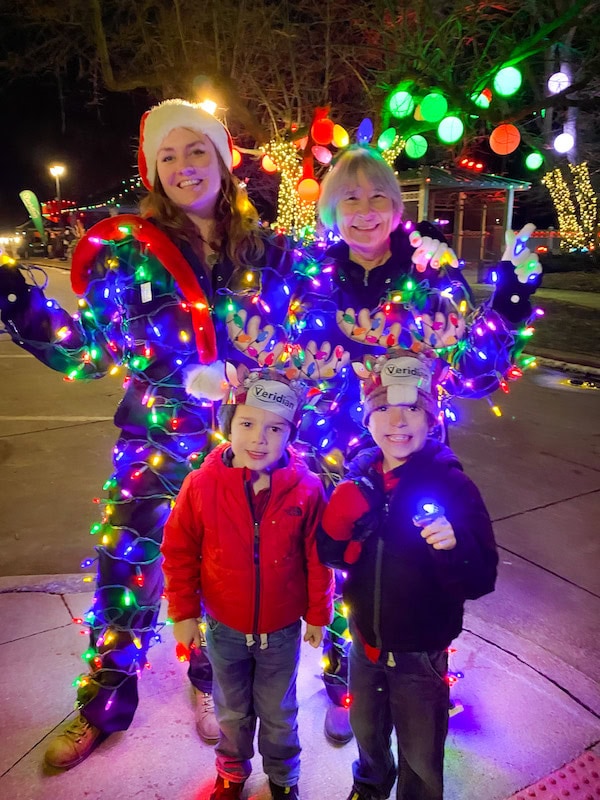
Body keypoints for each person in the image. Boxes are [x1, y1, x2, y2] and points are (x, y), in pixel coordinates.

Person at [0, 99, 296, 768]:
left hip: (244, 451)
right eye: (170, 155)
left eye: (198, 150)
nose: (186, 166)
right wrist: (19, 300)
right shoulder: (130, 254)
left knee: (229, 577)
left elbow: (309, 345)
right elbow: (88, 353)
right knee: (126, 568)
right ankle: (106, 698)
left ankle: (210, 681)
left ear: (222, 159)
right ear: (153, 170)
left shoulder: (272, 252)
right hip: (154, 443)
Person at [278, 144, 539, 743]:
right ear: (329, 211)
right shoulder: (311, 282)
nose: (365, 211)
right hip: (337, 458)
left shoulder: (432, 273)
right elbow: (289, 364)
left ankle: (425, 677)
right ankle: (347, 680)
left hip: (413, 457)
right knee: (347, 565)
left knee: (422, 564)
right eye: (350, 199)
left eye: (378, 197)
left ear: (397, 206)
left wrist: (514, 294)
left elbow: (476, 373)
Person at [317, 347, 498, 800]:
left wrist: (454, 547)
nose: (397, 422)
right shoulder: (359, 476)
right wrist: (337, 528)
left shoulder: (451, 484)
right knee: (367, 729)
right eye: (384, 408)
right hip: (365, 642)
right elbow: (334, 556)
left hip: (420, 652)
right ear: (368, 418)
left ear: (431, 418)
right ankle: (370, 785)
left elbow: (481, 578)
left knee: (420, 750)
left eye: (412, 408)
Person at [161, 364, 334, 800]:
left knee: (279, 712)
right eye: (247, 424)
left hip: (280, 629)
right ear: (228, 425)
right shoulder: (201, 486)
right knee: (233, 710)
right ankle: (232, 773)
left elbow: (319, 558)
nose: (259, 439)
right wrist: (183, 612)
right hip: (225, 626)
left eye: (275, 429)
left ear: (290, 434)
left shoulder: (307, 488)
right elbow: (179, 552)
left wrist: (318, 614)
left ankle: (282, 779)